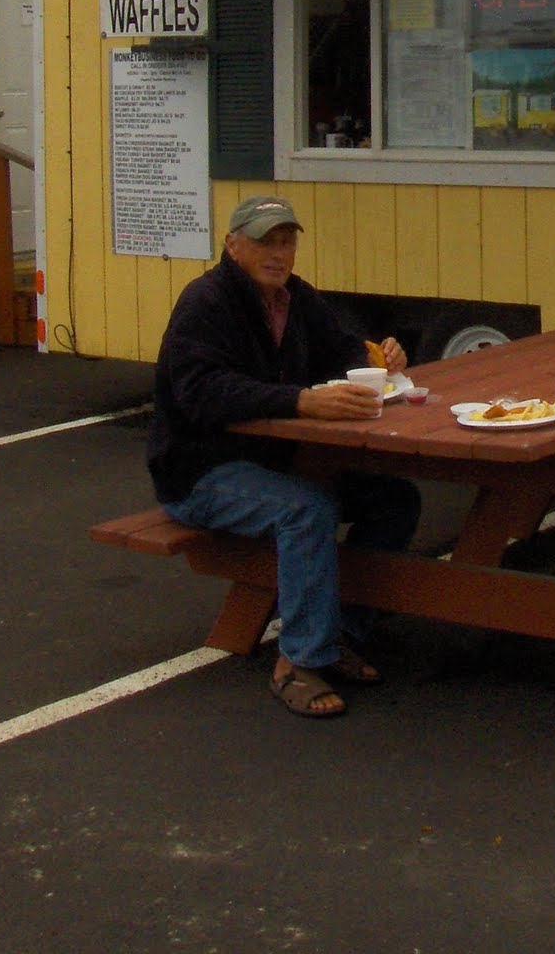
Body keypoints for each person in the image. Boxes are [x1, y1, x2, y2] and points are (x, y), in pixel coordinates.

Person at [148, 194, 421, 719]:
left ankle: (341, 632)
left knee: (395, 500)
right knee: (305, 508)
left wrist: (379, 358)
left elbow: (341, 348)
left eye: (287, 240)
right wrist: (301, 400)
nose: (279, 253)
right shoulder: (204, 304)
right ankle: (297, 661)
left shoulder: (296, 299)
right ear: (233, 245)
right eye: (265, 241)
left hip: (273, 461)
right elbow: (202, 393)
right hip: (199, 472)